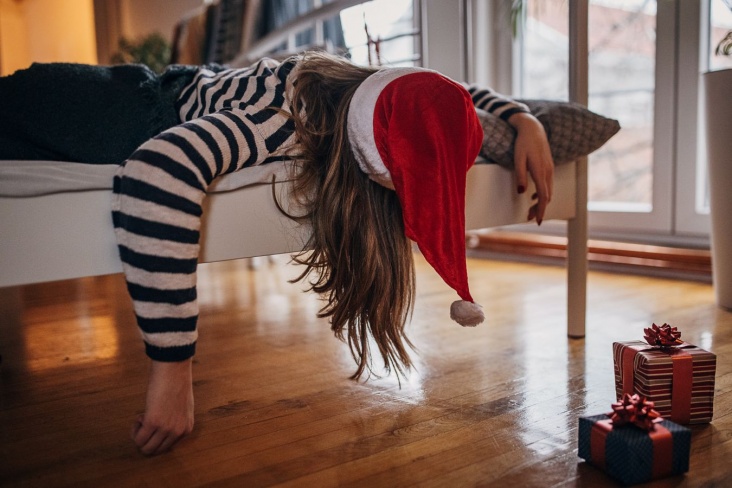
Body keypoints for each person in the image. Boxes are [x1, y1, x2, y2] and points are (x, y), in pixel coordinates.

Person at [0, 50, 553, 455]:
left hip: (146, 83)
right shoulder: (283, 123)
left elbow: (447, 90)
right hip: (86, 106)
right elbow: (156, 171)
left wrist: (521, 118)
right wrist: (172, 370)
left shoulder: (347, 79)